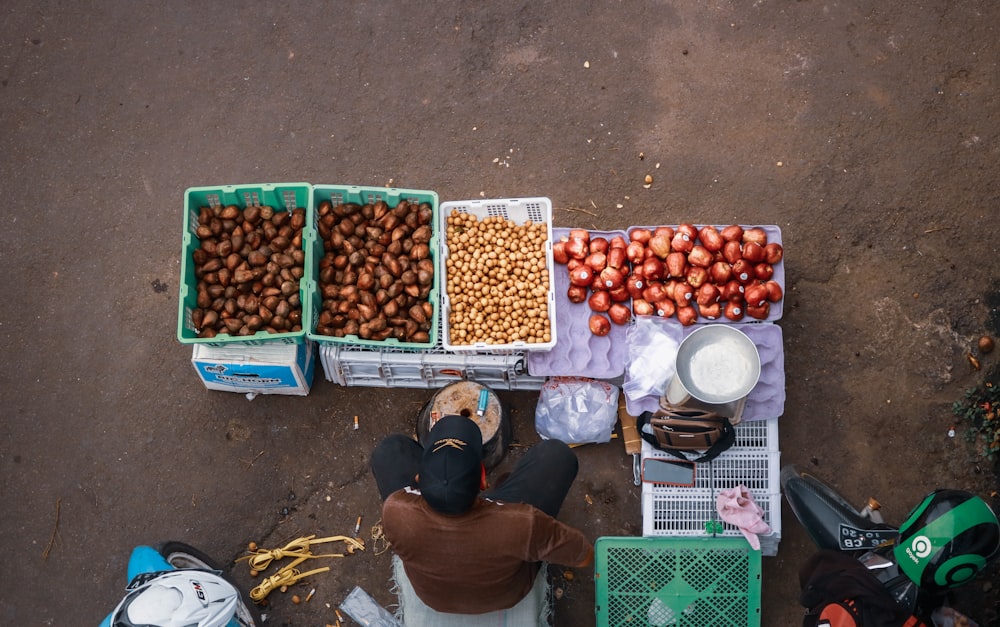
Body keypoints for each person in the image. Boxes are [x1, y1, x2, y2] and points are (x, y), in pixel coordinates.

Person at [370, 414, 594, 615]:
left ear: (418, 479)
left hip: (435, 598)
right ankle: (502, 489)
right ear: (483, 480)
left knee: (389, 451)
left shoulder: (396, 511)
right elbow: (584, 557)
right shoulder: (521, 523)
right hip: (506, 595)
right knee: (556, 455)